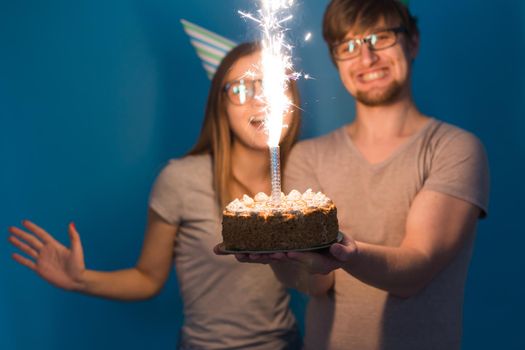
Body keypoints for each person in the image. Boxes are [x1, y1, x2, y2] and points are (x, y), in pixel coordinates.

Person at [8, 42, 303, 350]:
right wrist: (82, 280)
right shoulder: (181, 180)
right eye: (242, 89)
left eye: (272, 85)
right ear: (221, 105)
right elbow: (147, 278)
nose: (261, 100)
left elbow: (317, 280)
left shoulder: (304, 181)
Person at [237, 1, 490, 349]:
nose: (367, 58)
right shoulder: (309, 156)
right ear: (335, 59)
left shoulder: (454, 148)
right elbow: (316, 283)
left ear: (412, 41)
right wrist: (282, 256)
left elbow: (415, 271)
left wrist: (345, 253)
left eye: (381, 37)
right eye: (349, 46)